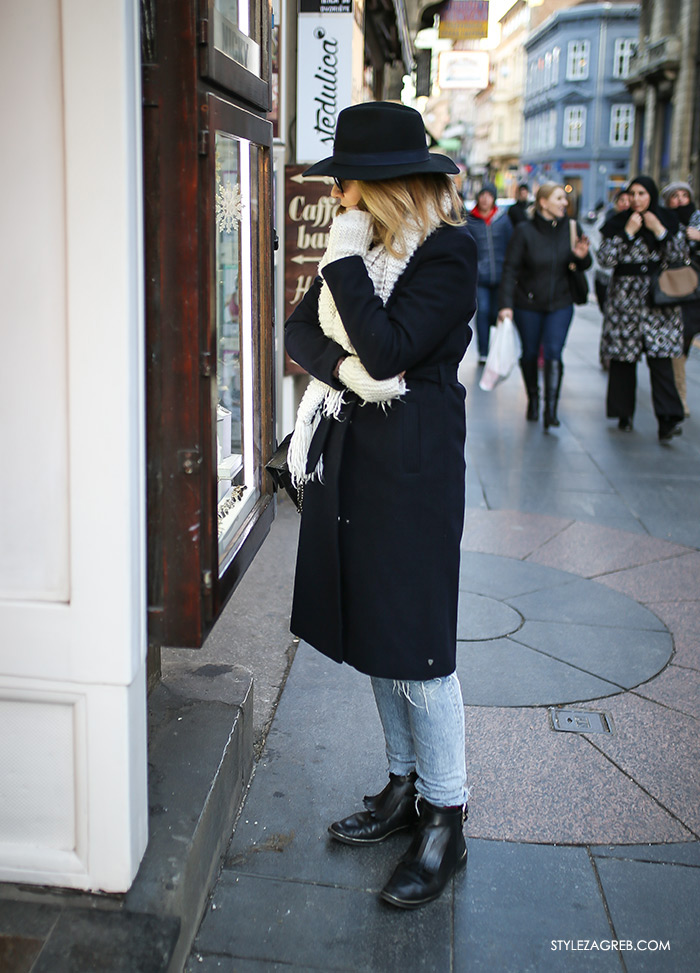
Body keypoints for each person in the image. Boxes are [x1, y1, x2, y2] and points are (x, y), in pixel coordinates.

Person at [284, 102, 477, 909]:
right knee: (373, 632)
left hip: (414, 466)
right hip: (355, 455)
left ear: (388, 185)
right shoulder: (362, 250)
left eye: (350, 183)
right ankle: (403, 785)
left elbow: (393, 346)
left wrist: (345, 263)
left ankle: (446, 815)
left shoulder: (448, 253)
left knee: (419, 648)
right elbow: (301, 333)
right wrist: (349, 376)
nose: (341, 198)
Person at [598, 176, 688, 441]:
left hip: (659, 300)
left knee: (661, 360)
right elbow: (604, 258)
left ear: (651, 195)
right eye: (633, 194)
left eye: (642, 194)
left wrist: (658, 230)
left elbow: (679, 256)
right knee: (624, 359)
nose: (637, 199)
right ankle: (623, 413)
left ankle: (668, 418)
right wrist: (627, 232)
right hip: (625, 300)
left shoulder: (667, 221)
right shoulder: (618, 223)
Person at [497, 182, 591, 428]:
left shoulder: (571, 228)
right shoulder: (524, 231)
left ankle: (551, 409)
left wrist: (581, 257)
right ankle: (533, 399)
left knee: (553, 353)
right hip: (527, 304)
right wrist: (505, 304)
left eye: (564, 199)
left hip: (561, 302)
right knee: (529, 354)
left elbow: (583, 264)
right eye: (559, 198)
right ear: (543, 202)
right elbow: (510, 269)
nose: (564, 203)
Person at [662, 181, 700, 416]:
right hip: (679, 290)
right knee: (680, 344)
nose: (680, 200)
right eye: (674, 196)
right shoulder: (666, 223)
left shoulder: (698, 220)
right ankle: (680, 399)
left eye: (684, 195)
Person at [466, 182, 513, 363]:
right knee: (483, 311)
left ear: (494, 199)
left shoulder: (503, 220)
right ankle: (483, 352)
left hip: (501, 275)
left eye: (489, 195)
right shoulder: (470, 221)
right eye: (482, 195)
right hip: (481, 277)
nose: (485, 199)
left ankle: (495, 348)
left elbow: (511, 246)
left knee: (496, 313)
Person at [595, 189, 631, 313]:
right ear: (616, 202)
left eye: (628, 201)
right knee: (607, 310)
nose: (625, 204)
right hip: (605, 273)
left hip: (627, 278)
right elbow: (596, 243)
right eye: (622, 200)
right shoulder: (606, 219)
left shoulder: (637, 221)